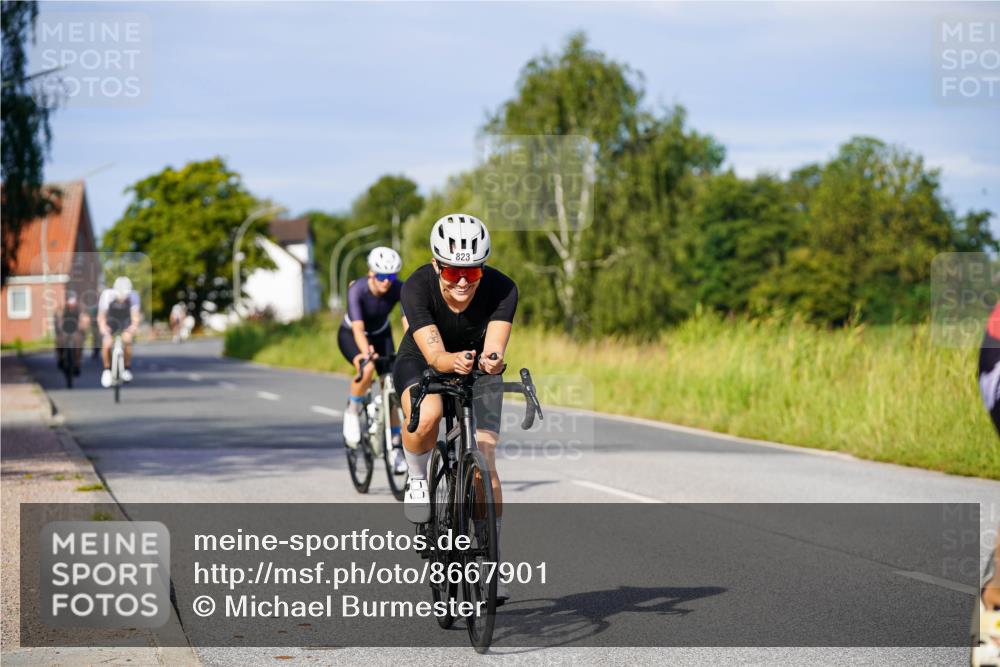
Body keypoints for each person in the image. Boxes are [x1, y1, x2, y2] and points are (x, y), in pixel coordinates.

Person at [393, 213, 516, 602]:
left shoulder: (503, 288)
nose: (463, 282)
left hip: (476, 368)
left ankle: (489, 557)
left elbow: (495, 344)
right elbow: (434, 352)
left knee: (486, 458)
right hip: (423, 361)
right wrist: (451, 361)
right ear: (436, 266)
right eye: (451, 273)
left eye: (473, 273)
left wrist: (492, 360)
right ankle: (416, 476)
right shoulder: (416, 286)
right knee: (427, 415)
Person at [339, 246, 408, 473]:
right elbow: (359, 329)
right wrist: (366, 353)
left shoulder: (399, 288)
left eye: (391, 276)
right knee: (367, 369)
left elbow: (409, 322)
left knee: (392, 388)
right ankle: (352, 412)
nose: (386, 282)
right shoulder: (357, 290)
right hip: (352, 335)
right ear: (371, 273)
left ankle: (395, 447)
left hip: (382, 334)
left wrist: (413, 346)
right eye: (381, 276)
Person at [97, 276, 142, 388]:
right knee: (107, 343)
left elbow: (135, 317)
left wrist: (132, 328)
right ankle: (107, 370)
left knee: (127, 339)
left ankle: (127, 368)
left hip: (126, 320)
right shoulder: (107, 295)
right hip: (111, 320)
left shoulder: (134, 296)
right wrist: (103, 328)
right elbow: (101, 316)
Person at [54, 291, 89, 375]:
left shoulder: (80, 307)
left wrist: (83, 324)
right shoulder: (62, 308)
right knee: (59, 341)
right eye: (70, 301)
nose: (72, 304)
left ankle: (77, 363)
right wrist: (60, 325)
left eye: (73, 301)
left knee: (78, 342)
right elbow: (58, 318)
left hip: (76, 329)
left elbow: (84, 317)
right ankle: (61, 358)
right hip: (64, 329)